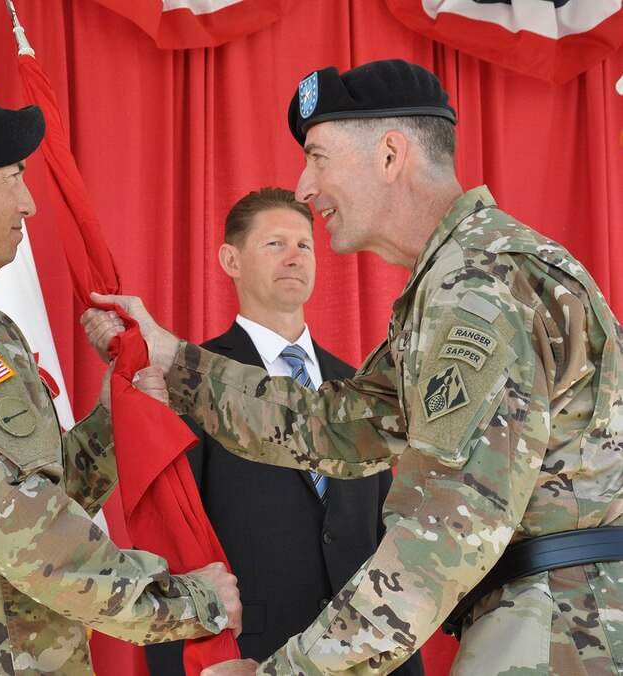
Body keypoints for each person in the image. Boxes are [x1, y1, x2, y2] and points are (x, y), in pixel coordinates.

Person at [83, 59, 623, 675]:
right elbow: (342, 425)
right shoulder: (458, 278)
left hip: (564, 628)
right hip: (557, 616)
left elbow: (445, 529)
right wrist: (176, 363)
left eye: (319, 157)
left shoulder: (477, 286)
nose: (305, 187)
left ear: (390, 156)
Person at [0, 87, 241, 674]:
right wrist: (191, 602)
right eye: (11, 176)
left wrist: (112, 421)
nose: (28, 203)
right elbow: (27, 537)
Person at [143, 187, 423, 675]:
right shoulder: (190, 381)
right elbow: (170, 533)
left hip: (366, 656)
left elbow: (384, 532)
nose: (294, 257)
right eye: (275, 244)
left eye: (305, 245)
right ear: (230, 259)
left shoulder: (360, 386)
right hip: (249, 657)